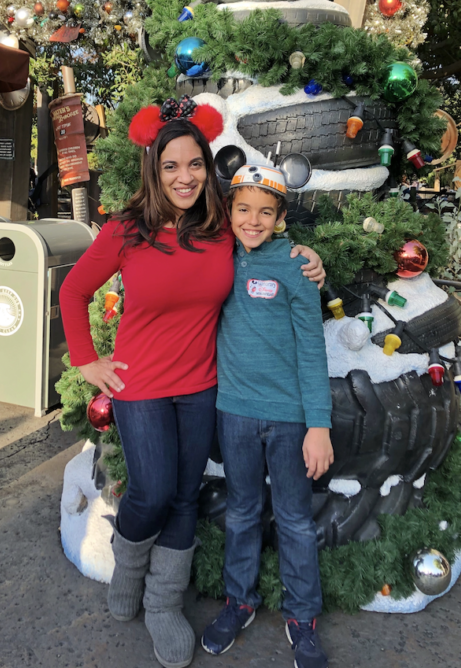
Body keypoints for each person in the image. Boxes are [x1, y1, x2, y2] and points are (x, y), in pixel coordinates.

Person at [59, 96, 326, 668]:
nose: (184, 177)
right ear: (155, 170)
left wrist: (307, 257)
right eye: (171, 166)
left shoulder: (220, 229)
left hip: (202, 386)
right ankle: (128, 569)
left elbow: (266, 245)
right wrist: (87, 362)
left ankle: (162, 604)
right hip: (143, 387)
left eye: (195, 164)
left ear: (209, 168)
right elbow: (73, 292)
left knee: (183, 496)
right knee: (152, 492)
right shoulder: (128, 230)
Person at [201, 164, 333, 668]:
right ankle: (240, 601)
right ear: (229, 212)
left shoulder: (296, 266)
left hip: (290, 420)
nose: (252, 221)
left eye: (265, 212)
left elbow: (312, 349)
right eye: (243, 210)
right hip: (233, 414)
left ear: (280, 218)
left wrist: (317, 425)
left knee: (296, 520)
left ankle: (302, 618)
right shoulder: (219, 257)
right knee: (241, 511)